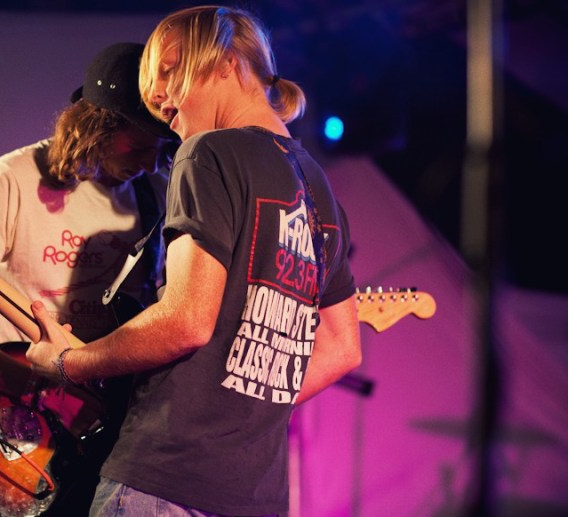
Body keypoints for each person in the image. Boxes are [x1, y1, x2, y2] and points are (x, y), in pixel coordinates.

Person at [25, 5, 363, 517]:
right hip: (256, 498)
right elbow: (342, 348)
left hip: (165, 482)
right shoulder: (317, 186)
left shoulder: (209, 153)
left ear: (228, 61)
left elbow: (185, 321)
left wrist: (67, 363)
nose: (156, 96)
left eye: (168, 71)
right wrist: (247, 408)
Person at [0, 42, 177, 516]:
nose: (152, 164)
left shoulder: (154, 195)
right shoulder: (10, 180)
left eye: (162, 150)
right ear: (97, 126)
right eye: (138, 147)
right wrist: (41, 386)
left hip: (109, 443)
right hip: (20, 437)